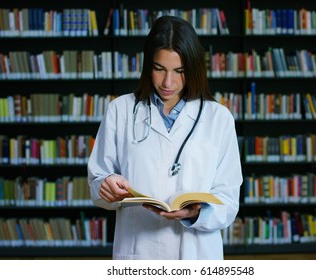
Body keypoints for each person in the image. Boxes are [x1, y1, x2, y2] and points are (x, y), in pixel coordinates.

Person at [87, 15, 242, 260]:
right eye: (159, 69)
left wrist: (197, 212)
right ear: (148, 65)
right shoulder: (121, 110)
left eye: (179, 71)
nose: (168, 82)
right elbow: (98, 181)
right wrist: (106, 186)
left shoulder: (219, 118)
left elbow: (229, 201)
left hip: (197, 254)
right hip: (139, 252)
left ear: (193, 69)